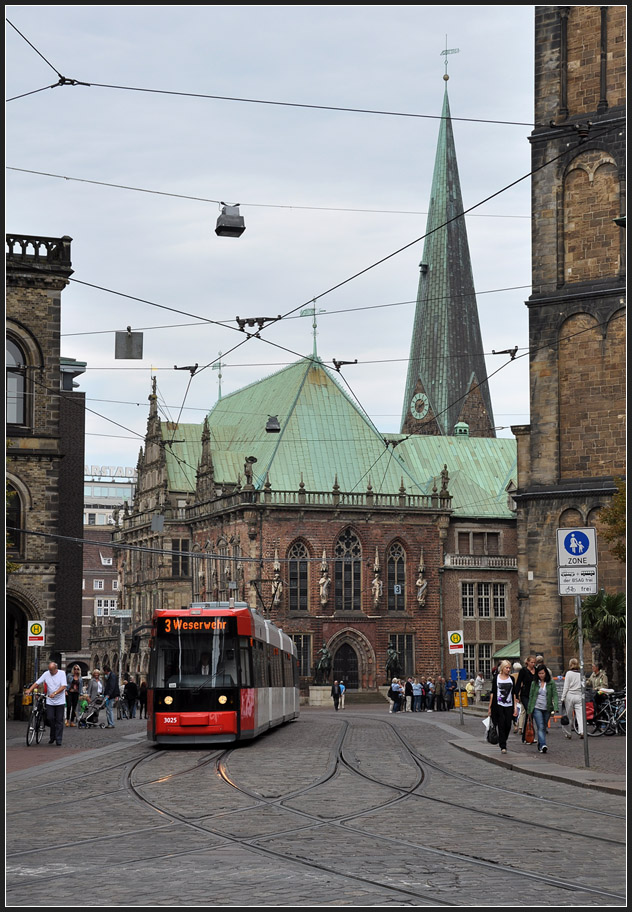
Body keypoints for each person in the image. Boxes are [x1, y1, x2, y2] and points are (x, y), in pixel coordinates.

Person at [24, 660, 68, 746]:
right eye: (49, 670)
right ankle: (53, 735)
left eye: (52, 670)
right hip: (50, 701)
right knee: (50, 718)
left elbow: (63, 686)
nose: (50, 672)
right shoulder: (46, 674)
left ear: (56, 669)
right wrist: (29, 690)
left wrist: (55, 693)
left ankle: (58, 739)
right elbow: (37, 682)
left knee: (59, 720)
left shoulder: (62, 674)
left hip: (60, 701)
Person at [487, 659, 518, 754]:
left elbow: (514, 693)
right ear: (502, 668)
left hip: (509, 704)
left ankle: (503, 739)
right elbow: (493, 693)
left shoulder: (511, 679)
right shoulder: (497, 678)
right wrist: (490, 707)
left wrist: (515, 707)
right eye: (506, 668)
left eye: (509, 668)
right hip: (498, 705)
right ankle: (503, 746)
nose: (508, 670)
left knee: (508, 725)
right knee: (500, 724)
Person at [528, 664, 559, 753]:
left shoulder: (551, 683)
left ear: (546, 673)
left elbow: (555, 695)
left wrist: (556, 706)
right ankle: (543, 745)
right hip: (537, 707)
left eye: (542, 673)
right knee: (540, 726)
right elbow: (531, 696)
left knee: (544, 727)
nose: (541, 675)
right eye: (539, 673)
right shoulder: (534, 683)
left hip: (547, 708)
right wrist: (529, 710)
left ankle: (540, 744)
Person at [515, 655, 537, 743]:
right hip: (525, 695)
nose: (533, 664)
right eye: (532, 662)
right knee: (529, 711)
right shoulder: (523, 671)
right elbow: (518, 683)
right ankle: (527, 735)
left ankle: (527, 736)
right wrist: (516, 696)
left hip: (534, 695)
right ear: (527, 662)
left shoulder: (536, 671)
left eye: (534, 662)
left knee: (530, 715)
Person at [561, 658, 583, 739]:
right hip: (579, 695)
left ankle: (568, 733)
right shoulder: (581, 674)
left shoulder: (569, 673)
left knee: (569, 716)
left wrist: (562, 697)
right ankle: (581, 731)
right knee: (580, 715)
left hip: (570, 695)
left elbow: (566, 687)